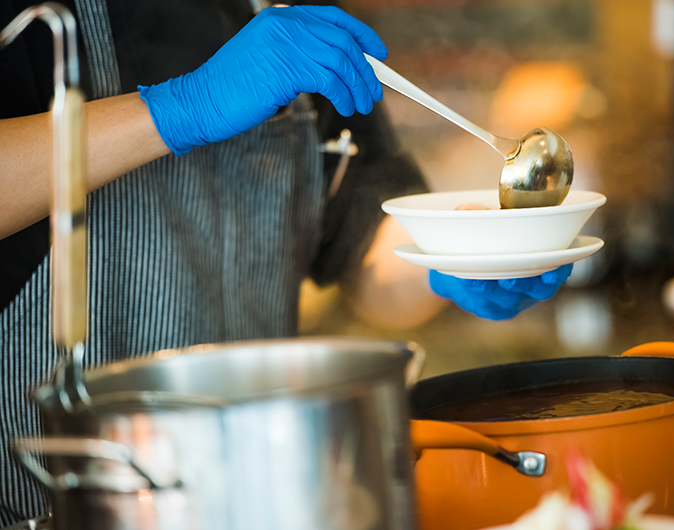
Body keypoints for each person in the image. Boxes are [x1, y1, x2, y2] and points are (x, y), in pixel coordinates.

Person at [0, 0, 571, 525]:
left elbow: (362, 248)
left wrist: (456, 259)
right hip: (58, 501)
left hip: (273, 492)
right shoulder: (37, 21)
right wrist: (177, 110)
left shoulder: (292, 11)